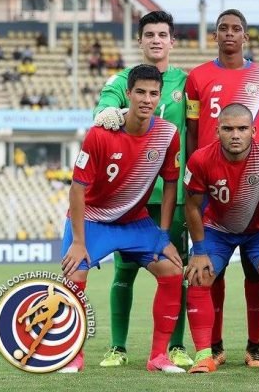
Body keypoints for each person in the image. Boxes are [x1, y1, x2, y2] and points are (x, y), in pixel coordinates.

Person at [59, 64, 185, 374]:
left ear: (159, 98)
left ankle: (159, 358)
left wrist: (162, 234)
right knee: (74, 276)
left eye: (153, 93)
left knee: (172, 271)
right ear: (128, 94)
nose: (146, 99)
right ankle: (72, 357)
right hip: (92, 220)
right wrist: (77, 242)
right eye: (140, 92)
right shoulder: (100, 134)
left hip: (134, 222)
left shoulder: (168, 134)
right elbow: (77, 190)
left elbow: (171, 184)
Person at [92, 11, 193, 368]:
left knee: (175, 270)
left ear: (172, 41)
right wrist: (111, 113)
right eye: (148, 34)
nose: (155, 40)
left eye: (162, 34)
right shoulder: (123, 81)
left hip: (173, 196)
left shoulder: (187, 82)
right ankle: (118, 348)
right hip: (129, 198)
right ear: (139, 41)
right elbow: (104, 110)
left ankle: (176, 346)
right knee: (125, 271)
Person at [185, 8, 259, 367]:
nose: (229, 34)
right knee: (210, 270)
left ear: (246, 36)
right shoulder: (198, 77)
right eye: (223, 28)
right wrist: (197, 171)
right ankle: (215, 346)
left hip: (255, 187)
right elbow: (193, 131)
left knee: (257, 273)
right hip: (212, 185)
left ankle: (255, 347)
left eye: (236, 29)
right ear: (215, 35)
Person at [183, 104, 259, 375]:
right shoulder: (199, 159)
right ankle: (205, 356)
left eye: (242, 128)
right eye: (228, 128)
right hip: (217, 229)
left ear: (253, 131)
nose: (235, 134)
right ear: (217, 130)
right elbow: (192, 206)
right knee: (199, 274)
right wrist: (198, 250)